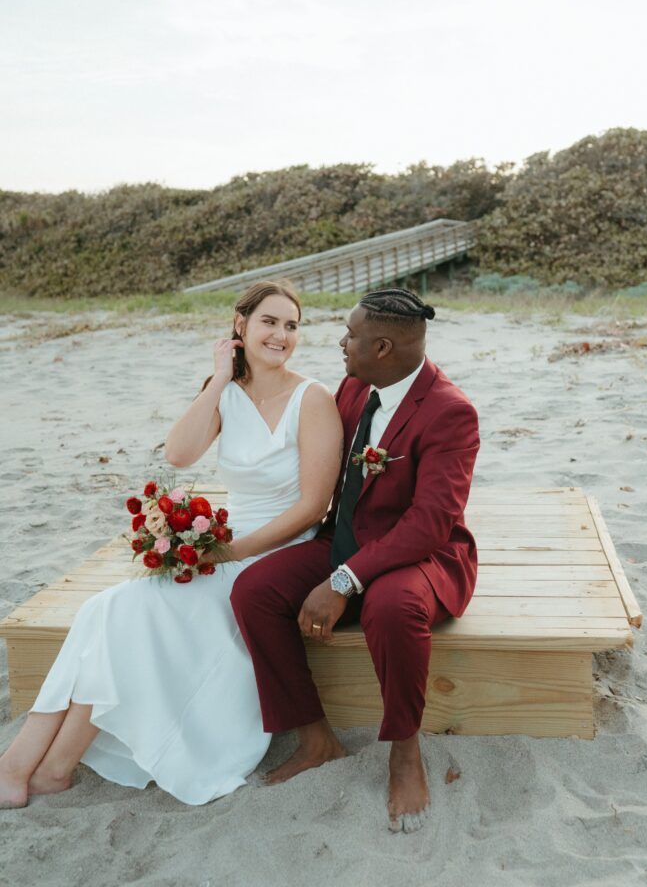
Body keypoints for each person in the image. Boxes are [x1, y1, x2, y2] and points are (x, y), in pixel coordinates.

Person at [0, 281, 342, 808]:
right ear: (240, 325)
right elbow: (180, 455)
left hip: (275, 555)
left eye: (291, 325)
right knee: (104, 610)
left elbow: (312, 507)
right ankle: (41, 769)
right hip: (226, 547)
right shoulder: (226, 392)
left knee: (121, 614)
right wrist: (219, 380)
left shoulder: (312, 397)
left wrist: (230, 552)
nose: (280, 335)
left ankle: (29, 766)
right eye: (269, 322)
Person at [231, 288, 479, 834]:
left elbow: (430, 523)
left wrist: (344, 578)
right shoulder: (354, 386)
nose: (342, 343)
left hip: (421, 557)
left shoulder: (449, 412)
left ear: (383, 346)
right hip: (346, 539)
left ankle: (404, 751)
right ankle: (315, 738)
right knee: (254, 591)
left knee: (388, 609)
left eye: (351, 335)